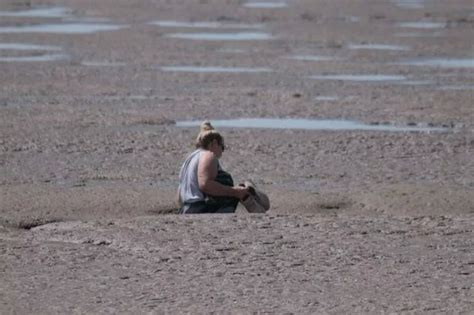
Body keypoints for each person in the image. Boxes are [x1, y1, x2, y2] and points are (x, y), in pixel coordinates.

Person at [178, 121, 249, 214]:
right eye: (222, 147)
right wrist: (235, 192)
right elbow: (205, 184)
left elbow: (179, 193)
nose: (222, 151)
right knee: (225, 179)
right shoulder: (208, 155)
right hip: (199, 208)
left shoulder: (190, 159)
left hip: (186, 207)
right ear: (215, 143)